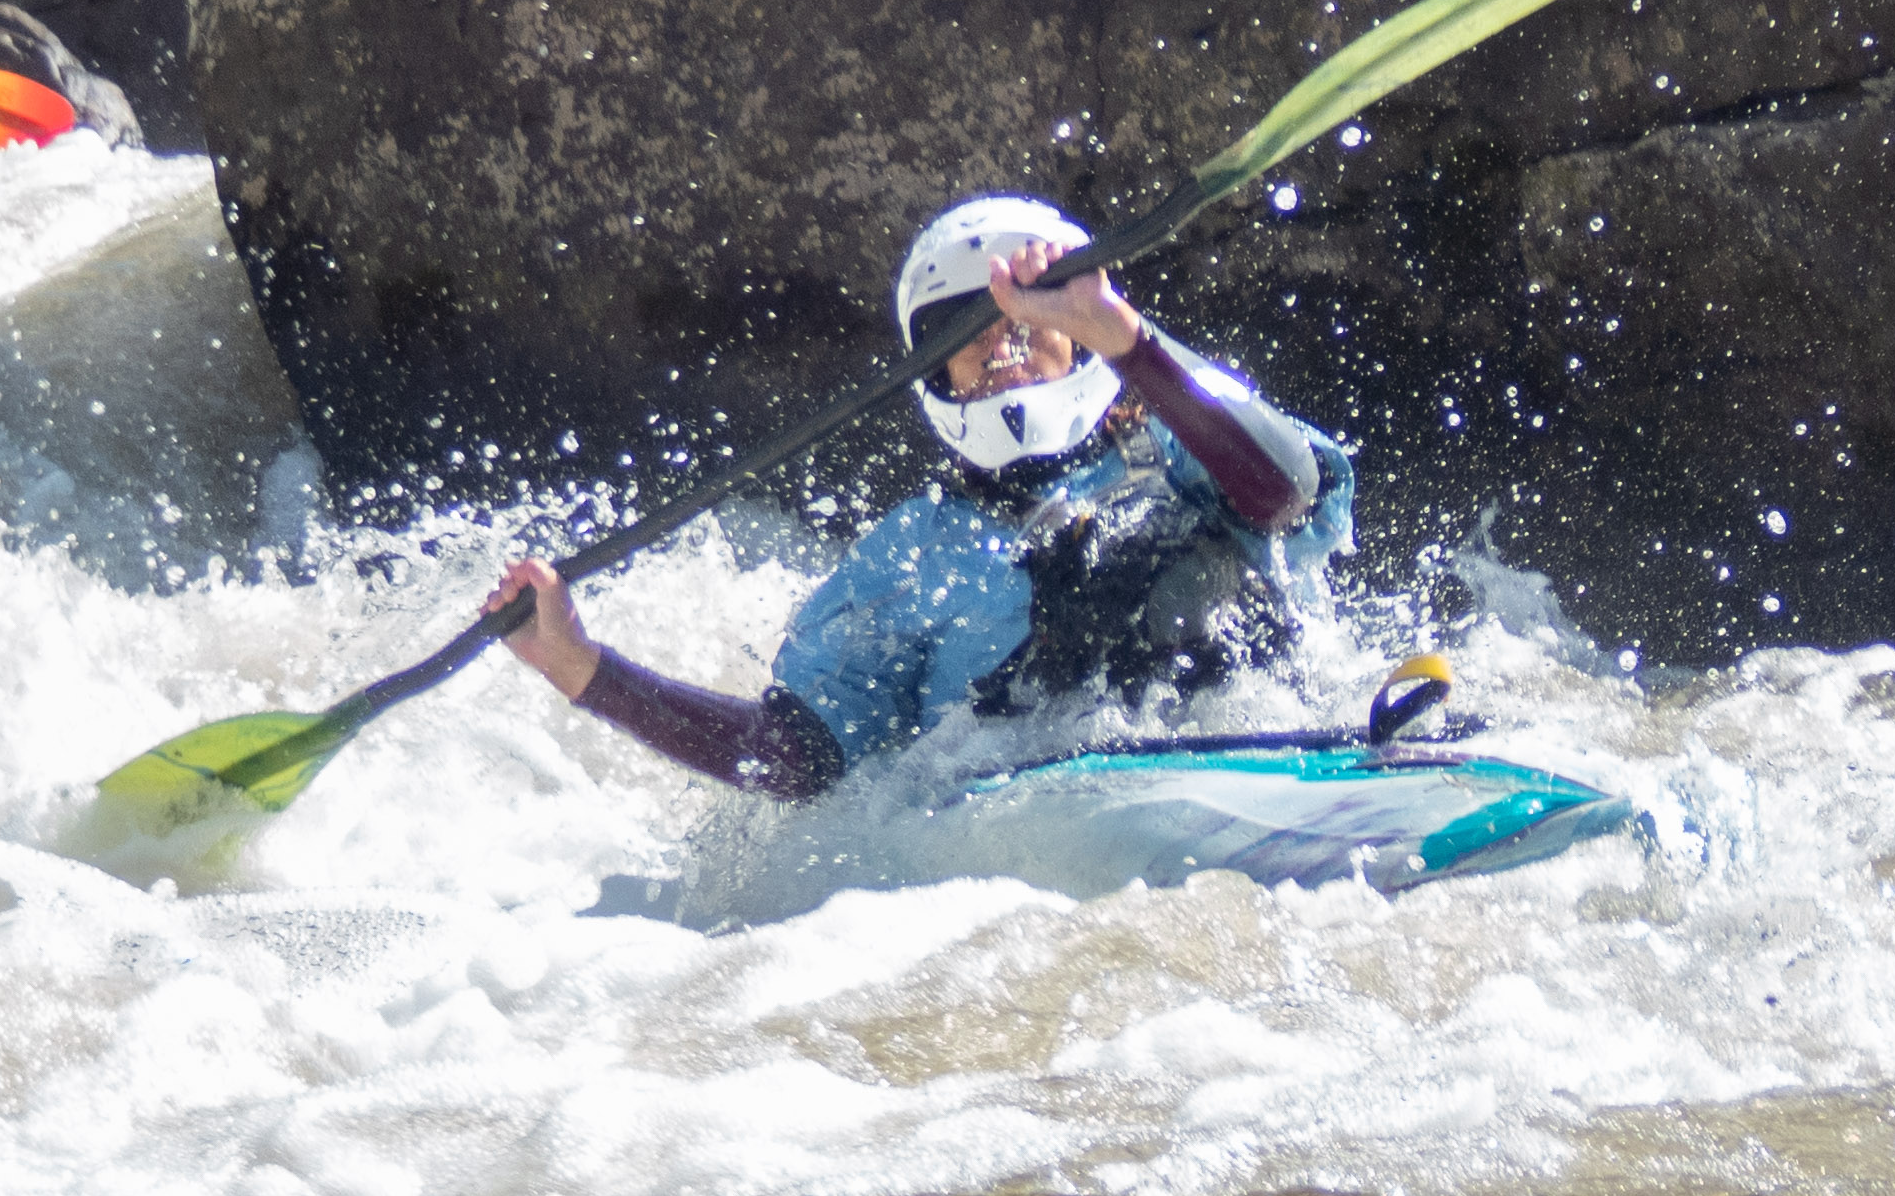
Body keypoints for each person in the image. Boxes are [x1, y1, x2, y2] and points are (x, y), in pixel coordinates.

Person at [482, 195, 1356, 797]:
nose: (1000, 341)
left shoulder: (1185, 426)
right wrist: (583, 669)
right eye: (963, 327)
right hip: (1043, 814)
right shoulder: (907, 558)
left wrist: (1122, 336)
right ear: (932, 368)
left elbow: (1283, 492)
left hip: (1257, 743)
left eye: (1027, 315)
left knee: (1176, 580)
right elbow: (796, 757)